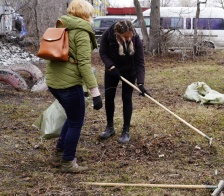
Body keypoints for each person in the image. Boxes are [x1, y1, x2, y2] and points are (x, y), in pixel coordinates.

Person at [46, 0, 102, 173]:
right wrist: (96, 93)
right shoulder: (82, 33)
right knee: (76, 122)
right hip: (69, 85)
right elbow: (84, 65)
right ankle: (67, 162)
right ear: (86, 14)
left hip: (54, 83)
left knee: (72, 118)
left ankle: (58, 155)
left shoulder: (62, 26)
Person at [99, 20, 150, 143]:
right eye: (126, 36)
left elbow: (139, 62)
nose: (129, 38)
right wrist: (111, 66)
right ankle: (110, 127)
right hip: (112, 71)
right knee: (109, 97)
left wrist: (141, 83)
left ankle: (125, 130)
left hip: (129, 71)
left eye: (130, 35)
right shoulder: (108, 35)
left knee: (127, 98)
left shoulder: (135, 38)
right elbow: (103, 52)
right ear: (118, 34)